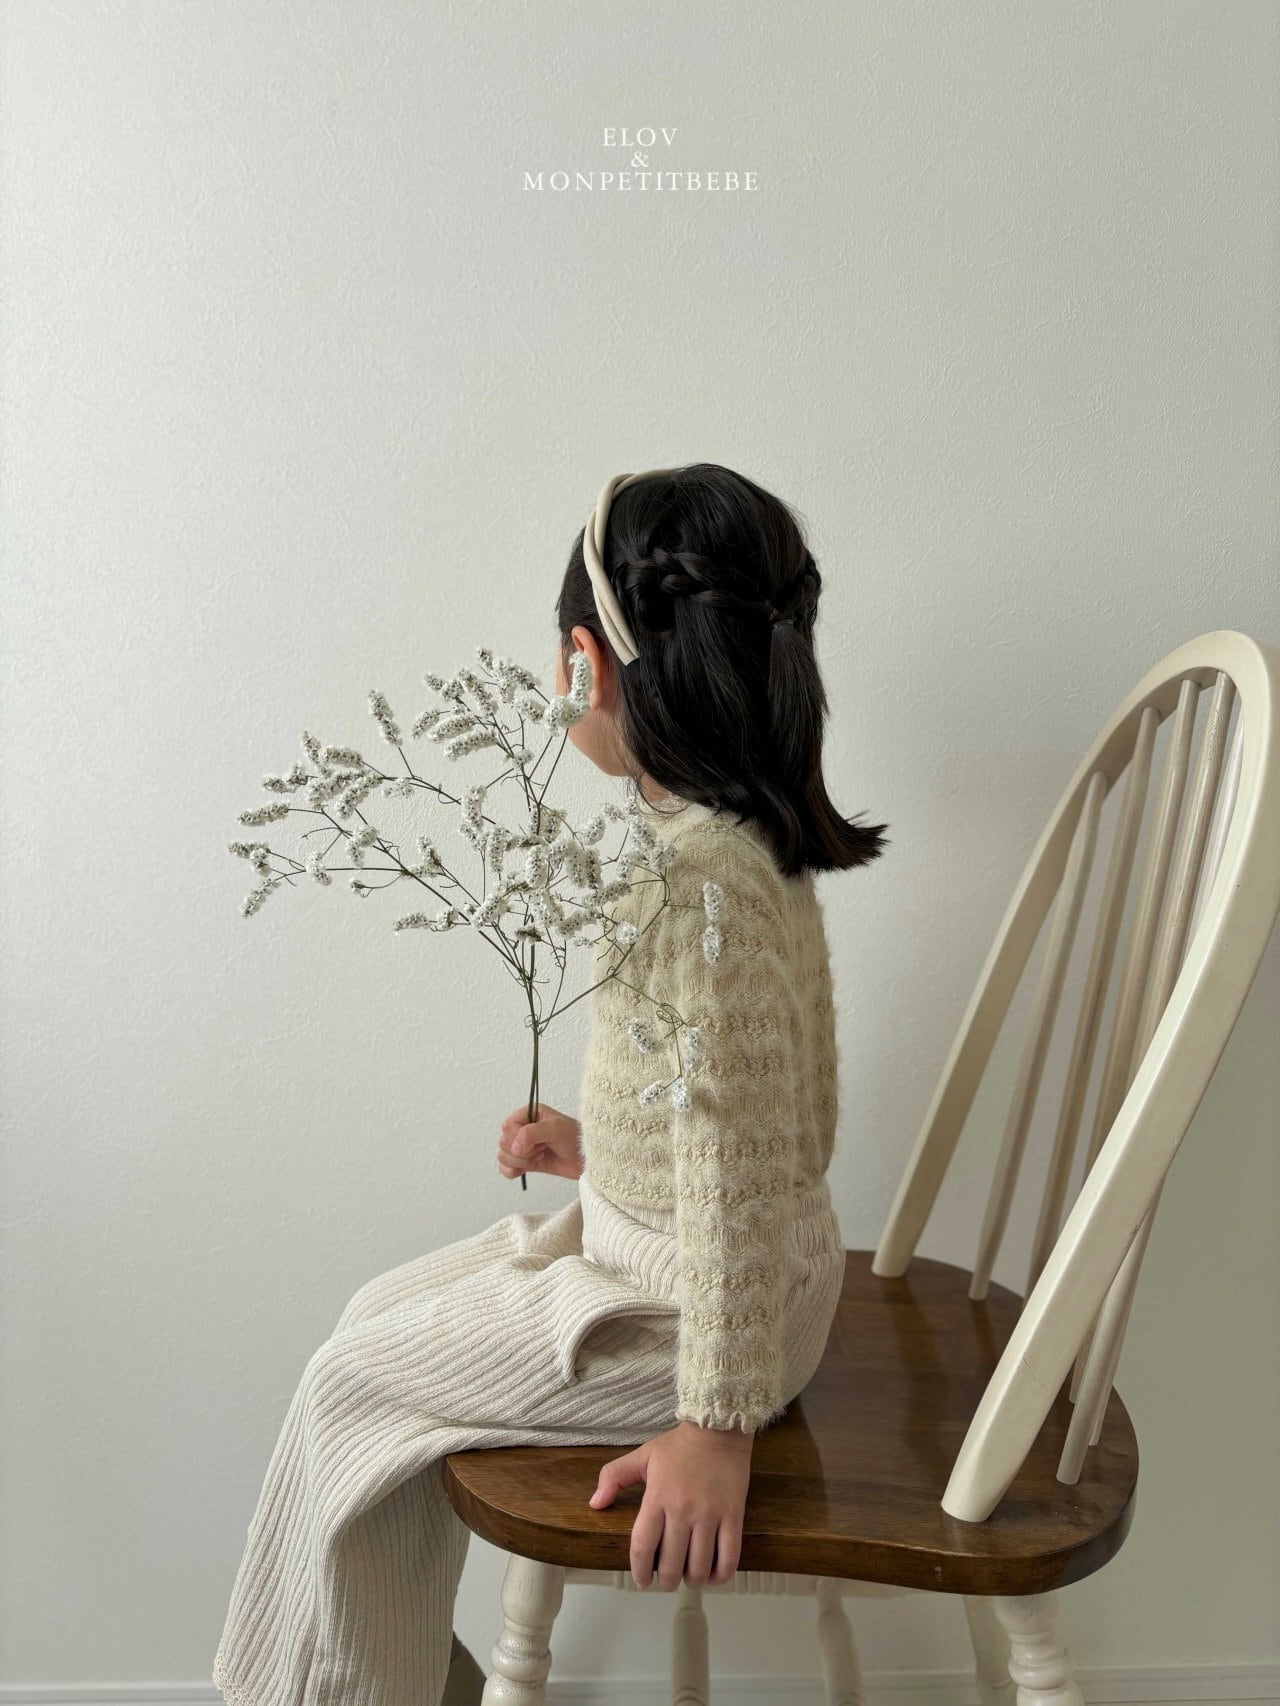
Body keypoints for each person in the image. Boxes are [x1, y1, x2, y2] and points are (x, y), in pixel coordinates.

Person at [212, 462, 889, 1706]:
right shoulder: (742, 840)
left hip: (699, 1319)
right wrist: (607, 1147)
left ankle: (335, 1691)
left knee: (346, 1385)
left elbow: (740, 1169)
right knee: (371, 1315)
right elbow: (781, 1110)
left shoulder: (690, 886)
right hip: (715, 1267)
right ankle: (389, 1677)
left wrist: (715, 1422)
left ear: (586, 661)